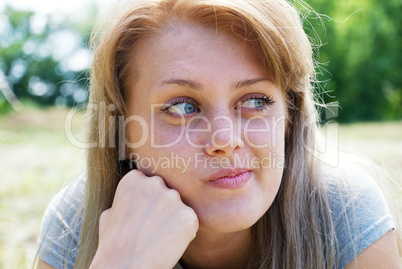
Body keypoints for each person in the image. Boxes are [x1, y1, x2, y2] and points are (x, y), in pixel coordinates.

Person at [36, 0, 401, 268]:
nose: (225, 140)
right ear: (123, 129)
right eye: (182, 107)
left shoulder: (342, 216)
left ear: (289, 116)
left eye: (256, 100)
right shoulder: (78, 225)